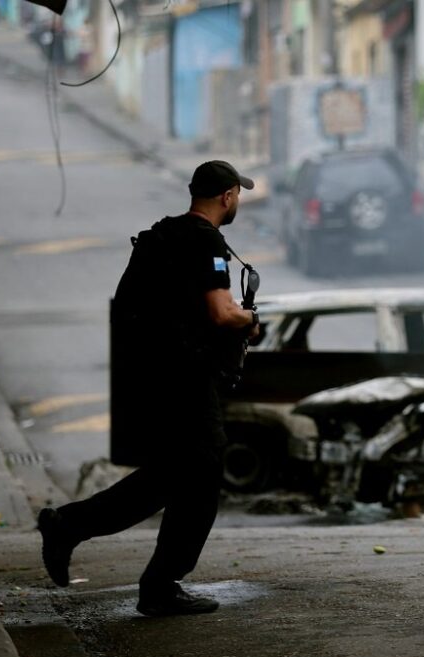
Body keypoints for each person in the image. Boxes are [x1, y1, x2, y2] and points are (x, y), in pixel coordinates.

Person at [37, 161, 260, 617]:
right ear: (228, 196)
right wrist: (251, 319)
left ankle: (76, 530)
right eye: (238, 194)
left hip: (148, 376)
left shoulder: (161, 236)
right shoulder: (207, 242)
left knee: (173, 476)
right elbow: (221, 312)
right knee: (201, 466)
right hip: (183, 377)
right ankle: (153, 579)